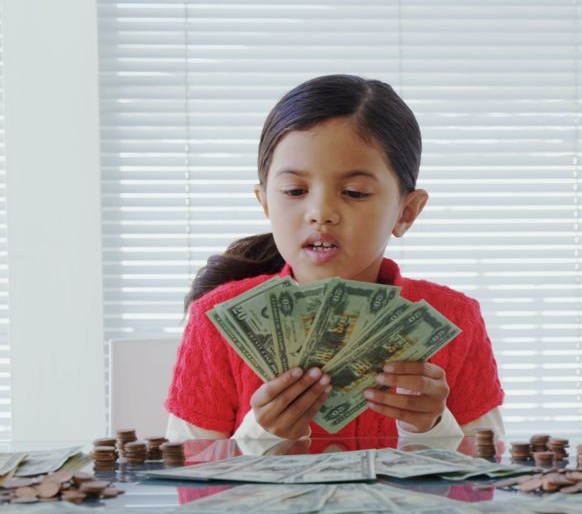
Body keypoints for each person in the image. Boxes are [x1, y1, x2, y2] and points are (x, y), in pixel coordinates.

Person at [164, 74, 505, 446]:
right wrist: (261, 436)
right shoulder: (214, 321)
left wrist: (431, 428)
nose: (321, 212)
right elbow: (187, 486)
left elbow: (489, 484)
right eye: (295, 190)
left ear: (406, 212)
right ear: (265, 202)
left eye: (355, 193)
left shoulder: (455, 321)